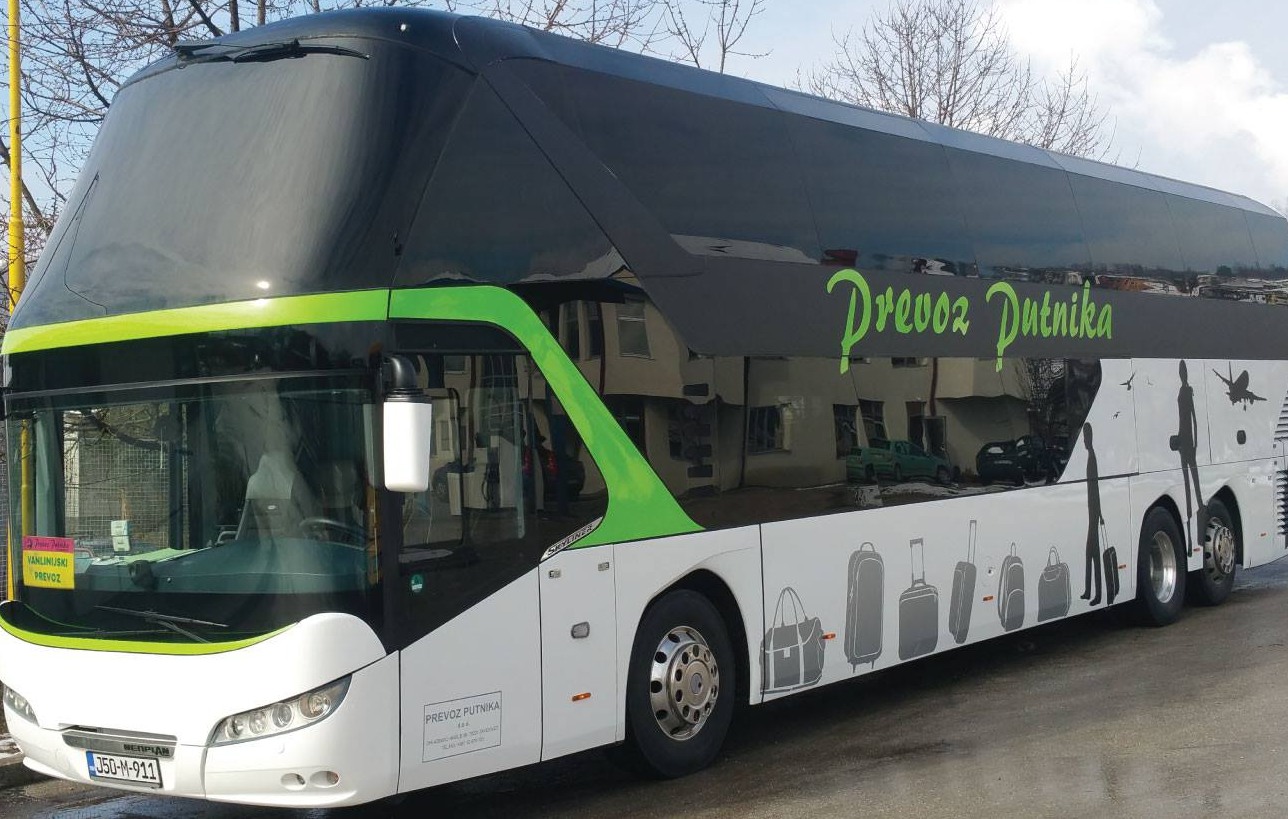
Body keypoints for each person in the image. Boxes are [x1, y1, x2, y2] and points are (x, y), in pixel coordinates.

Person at [1080, 422, 1104, 605]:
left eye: (1086, 437)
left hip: (1093, 515)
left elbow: (1095, 489)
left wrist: (1099, 515)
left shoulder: (1092, 458)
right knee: (1090, 553)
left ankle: (1097, 594)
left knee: (1093, 553)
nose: (1084, 441)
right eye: (1084, 437)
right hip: (1092, 514)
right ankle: (1089, 591)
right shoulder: (1090, 457)